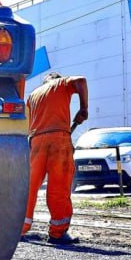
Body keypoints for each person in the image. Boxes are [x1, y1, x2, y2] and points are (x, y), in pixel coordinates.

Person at [22, 72, 88, 245]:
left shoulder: (33, 96)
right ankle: (57, 233)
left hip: (36, 141)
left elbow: (28, 124)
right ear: (55, 78)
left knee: (30, 187)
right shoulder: (61, 83)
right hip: (58, 140)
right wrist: (84, 109)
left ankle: (20, 228)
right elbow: (80, 80)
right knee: (59, 186)